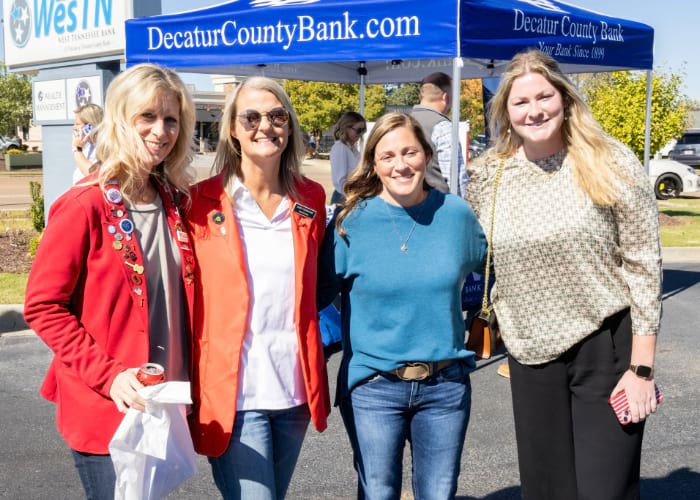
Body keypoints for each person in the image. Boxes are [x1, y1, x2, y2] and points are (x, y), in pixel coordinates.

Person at [466, 49, 662, 499]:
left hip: (606, 347)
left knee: (604, 490)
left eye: (544, 96)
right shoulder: (488, 176)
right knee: (547, 491)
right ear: (505, 110)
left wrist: (642, 368)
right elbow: (465, 249)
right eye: (521, 102)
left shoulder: (609, 160)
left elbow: (644, 264)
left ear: (565, 97)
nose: (534, 110)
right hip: (530, 354)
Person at [23, 63, 197, 499]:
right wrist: (111, 376)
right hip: (108, 404)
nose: (161, 130)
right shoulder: (85, 204)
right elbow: (43, 305)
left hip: (162, 403)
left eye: (171, 119)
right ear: (121, 118)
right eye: (148, 117)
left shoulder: (176, 202)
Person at [319, 112, 487, 499]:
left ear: (426, 155)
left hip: (445, 387)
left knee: (439, 493)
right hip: (373, 387)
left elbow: (491, 272)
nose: (400, 165)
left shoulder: (456, 215)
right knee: (378, 493)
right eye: (387, 156)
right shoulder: (350, 222)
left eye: (409, 152)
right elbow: (316, 296)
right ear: (374, 164)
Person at [186, 76, 331, 500]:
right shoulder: (198, 203)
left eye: (276, 116)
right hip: (234, 393)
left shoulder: (310, 198)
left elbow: (318, 284)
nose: (265, 125)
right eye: (251, 116)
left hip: (293, 388)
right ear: (232, 128)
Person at [411, 71, 467, 195]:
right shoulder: (442, 126)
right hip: (440, 205)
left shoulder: (403, 121)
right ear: (445, 97)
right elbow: (455, 177)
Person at [330, 111, 366, 204]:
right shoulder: (340, 147)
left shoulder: (352, 148)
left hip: (352, 196)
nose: (360, 134)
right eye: (358, 130)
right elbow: (340, 181)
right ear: (346, 128)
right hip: (344, 198)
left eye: (363, 130)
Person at [71, 103, 103, 184]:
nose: (74, 127)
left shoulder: (103, 147)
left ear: (90, 126)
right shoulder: (87, 147)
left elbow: (93, 176)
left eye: (77, 124)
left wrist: (76, 149)